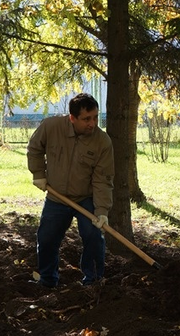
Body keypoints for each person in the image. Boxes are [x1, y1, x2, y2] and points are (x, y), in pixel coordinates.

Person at [27, 93, 115, 288]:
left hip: (85, 198)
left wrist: (101, 210)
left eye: (95, 117)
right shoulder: (51, 127)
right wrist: (38, 173)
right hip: (57, 197)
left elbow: (103, 179)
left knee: (93, 236)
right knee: (46, 238)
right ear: (72, 118)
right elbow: (34, 148)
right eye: (86, 119)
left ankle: (93, 282)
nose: (92, 124)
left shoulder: (102, 142)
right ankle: (47, 280)